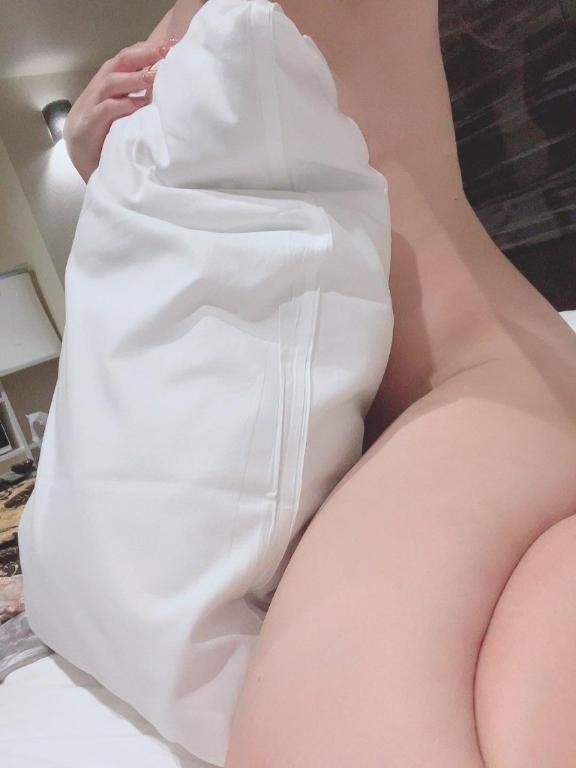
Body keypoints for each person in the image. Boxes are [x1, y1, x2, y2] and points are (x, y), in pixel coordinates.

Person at [63, 1, 576, 766]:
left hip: (475, 378)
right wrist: (94, 159)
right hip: (368, 429)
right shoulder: (173, 22)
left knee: (315, 727)